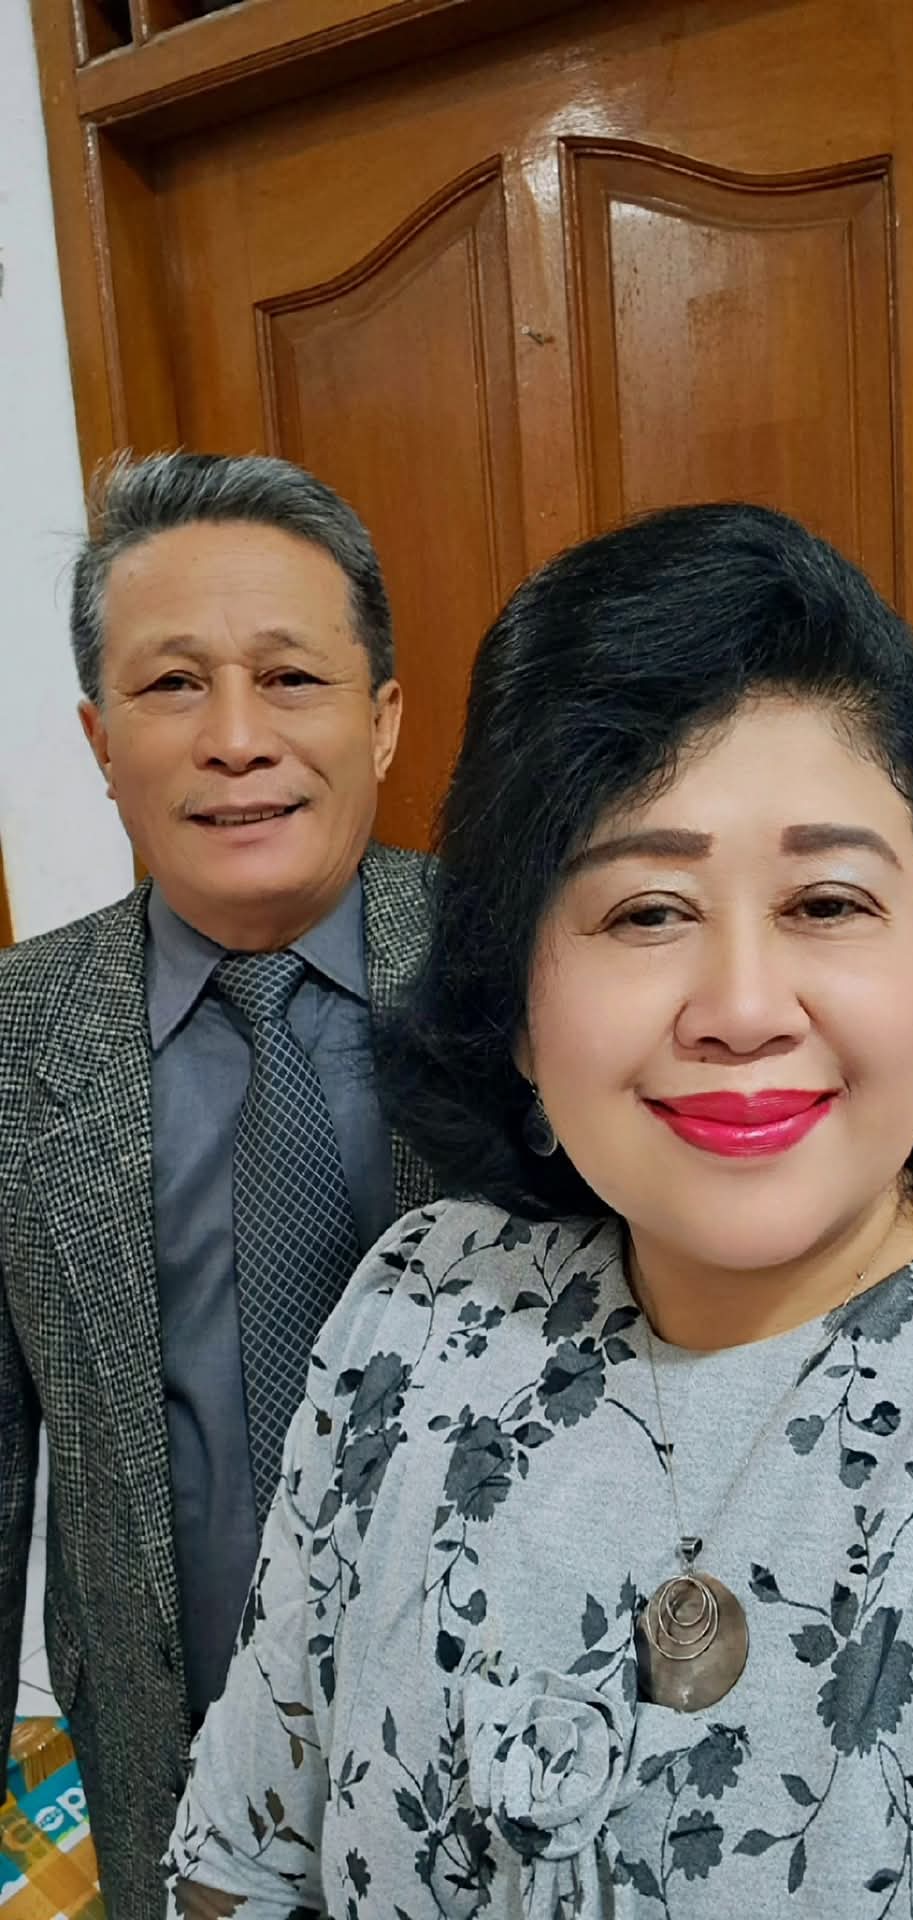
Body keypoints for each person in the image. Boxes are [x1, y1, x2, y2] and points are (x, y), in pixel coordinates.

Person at [167, 504, 913, 1919]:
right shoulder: (420, 1306)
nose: (742, 1010)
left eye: (827, 903)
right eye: (646, 911)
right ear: (519, 1012)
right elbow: (243, 1857)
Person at [0, 451, 438, 1919]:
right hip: (165, 1757)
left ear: (383, 719)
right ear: (98, 738)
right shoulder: (15, 1038)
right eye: (173, 685)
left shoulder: (540, 980)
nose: (236, 740)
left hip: (508, 1744)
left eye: (292, 679)